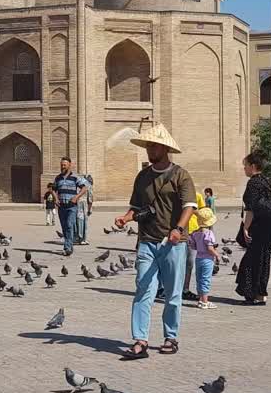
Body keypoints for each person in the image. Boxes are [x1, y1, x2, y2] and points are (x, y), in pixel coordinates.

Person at [113, 124, 195, 359]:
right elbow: (136, 206)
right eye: (148, 145)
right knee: (143, 290)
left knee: (172, 293)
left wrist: (178, 228)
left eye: (154, 145)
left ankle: (171, 337)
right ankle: (140, 340)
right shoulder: (143, 176)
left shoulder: (181, 175)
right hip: (147, 241)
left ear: (165, 148)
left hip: (173, 243)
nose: (150, 149)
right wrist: (125, 219)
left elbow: (189, 207)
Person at [235, 153, 271, 306]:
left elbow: (251, 209)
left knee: (252, 261)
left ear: (253, 166)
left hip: (259, 227)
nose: (244, 169)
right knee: (263, 259)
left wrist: (246, 228)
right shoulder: (267, 181)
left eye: (246, 165)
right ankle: (261, 295)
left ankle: (252, 294)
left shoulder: (253, 183)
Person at [54, 157, 88, 256]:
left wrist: (76, 197)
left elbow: (85, 188)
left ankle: (67, 247)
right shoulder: (58, 178)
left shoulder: (75, 177)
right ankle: (69, 245)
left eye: (64, 165)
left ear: (69, 165)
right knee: (64, 227)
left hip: (72, 206)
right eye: (61, 165)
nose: (62, 166)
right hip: (61, 206)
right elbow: (53, 189)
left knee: (69, 225)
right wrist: (56, 198)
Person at [188, 206, 220, 309]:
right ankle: (205, 301)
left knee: (199, 279)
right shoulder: (209, 234)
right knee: (206, 279)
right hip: (207, 259)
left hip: (198, 258)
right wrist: (217, 254)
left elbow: (193, 246)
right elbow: (210, 248)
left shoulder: (195, 234)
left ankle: (200, 300)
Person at [75, 174, 94, 245]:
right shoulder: (88, 185)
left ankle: (77, 237)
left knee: (77, 221)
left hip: (75, 203)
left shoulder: (78, 183)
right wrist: (89, 210)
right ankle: (83, 239)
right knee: (83, 222)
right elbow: (90, 199)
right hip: (84, 205)